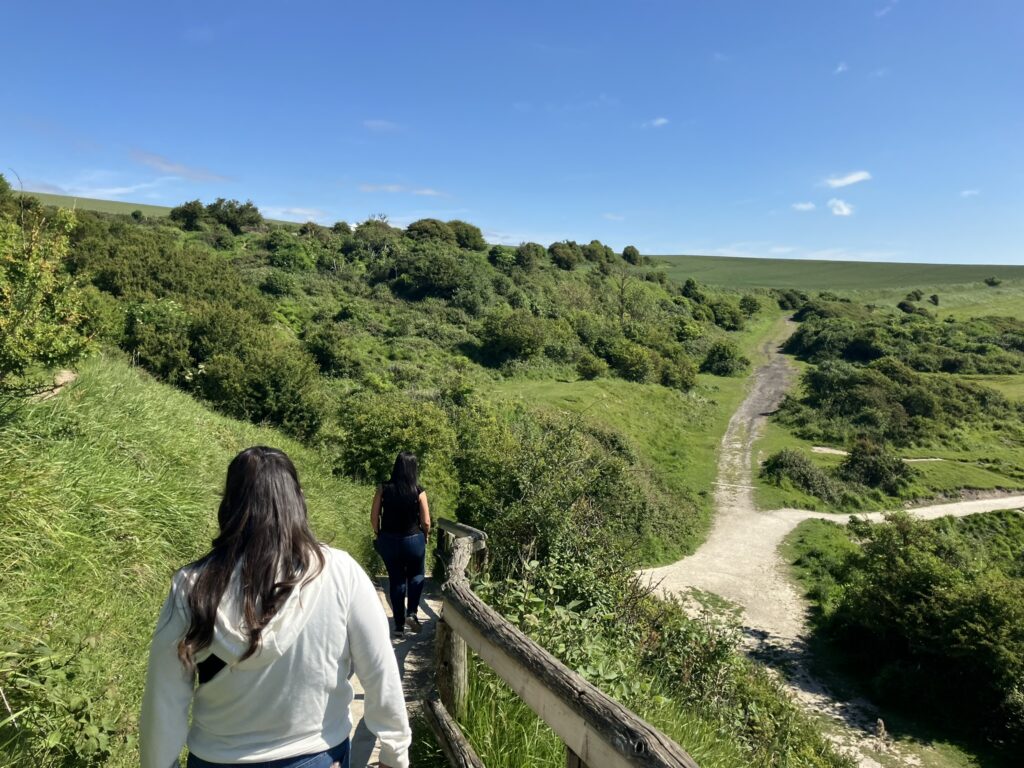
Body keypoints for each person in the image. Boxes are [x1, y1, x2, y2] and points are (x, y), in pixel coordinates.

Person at [140, 446, 410, 768]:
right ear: (297, 500)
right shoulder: (339, 573)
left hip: (216, 758)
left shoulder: (193, 586)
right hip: (318, 755)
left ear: (230, 504)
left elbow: (164, 699)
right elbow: (380, 669)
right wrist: (394, 752)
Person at [371, 452, 431, 637]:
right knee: (417, 575)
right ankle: (411, 612)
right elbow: (426, 521)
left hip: (389, 540)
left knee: (396, 580)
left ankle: (398, 626)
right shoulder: (418, 491)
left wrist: (379, 533)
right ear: (414, 468)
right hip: (413, 540)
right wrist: (425, 535)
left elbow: (374, 518)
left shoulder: (383, 489)